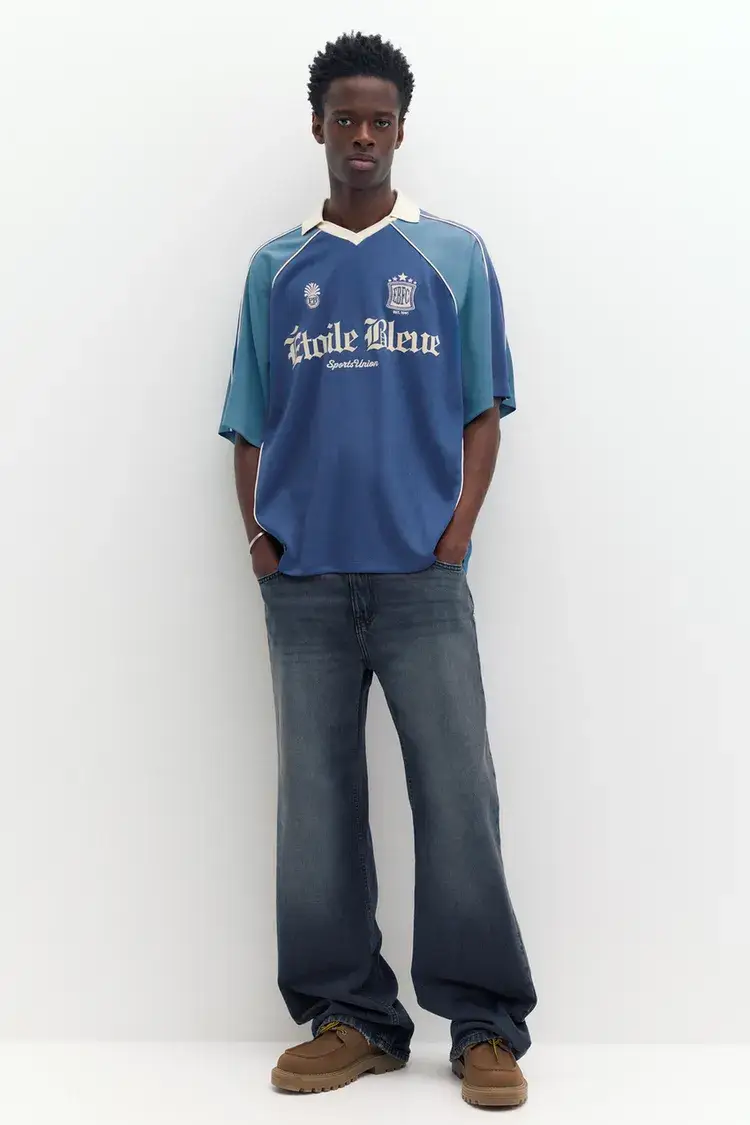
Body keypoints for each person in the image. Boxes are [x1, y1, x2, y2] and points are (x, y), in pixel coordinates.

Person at [219, 31, 536, 1109]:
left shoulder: (451, 257)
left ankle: (484, 1026)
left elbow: (483, 412)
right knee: (316, 807)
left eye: (380, 120)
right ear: (318, 127)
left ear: (401, 130)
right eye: (345, 118)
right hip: (305, 585)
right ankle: (351, 1015)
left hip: (420, 581)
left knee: (457, 796)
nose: (362, 135)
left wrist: (454, 535)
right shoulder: (276, 270)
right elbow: (249, 423)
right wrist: (259, 543)